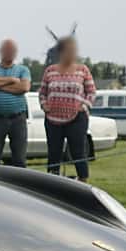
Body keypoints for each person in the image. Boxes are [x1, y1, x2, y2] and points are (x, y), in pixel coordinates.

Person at [40, 35, 95, 180]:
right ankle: (52, 181)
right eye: (67, 50)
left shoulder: (83, 70)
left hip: (77, 118)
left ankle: (83, 180)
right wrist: (44, 104)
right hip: (53, 119)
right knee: (54, 152)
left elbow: (91, 92)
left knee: (78, 151)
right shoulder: (50, 70)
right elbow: (42, 92)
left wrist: (84, 105)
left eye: (73, 50)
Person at [0, 38, 31, 167]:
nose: (10, 52)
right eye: (7, 50)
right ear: (1, 51)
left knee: (19, 160)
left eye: (12, 50)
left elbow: (24, 87)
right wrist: (11, 80)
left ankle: (19, 180)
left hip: (18, 119)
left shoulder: (23, 70)